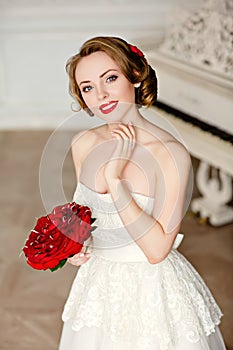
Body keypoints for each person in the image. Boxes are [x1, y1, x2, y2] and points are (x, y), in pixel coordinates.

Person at [58, 36, 226, 350]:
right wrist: (76, 246)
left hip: (153, 294)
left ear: (135, 77)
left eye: (110, 78)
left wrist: (115, 181)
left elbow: (156, 250)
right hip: (99, 289)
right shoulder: (83, 143)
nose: (102, 94)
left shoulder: (169, 154)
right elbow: (83, 216)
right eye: (88, 87)